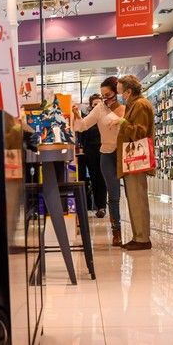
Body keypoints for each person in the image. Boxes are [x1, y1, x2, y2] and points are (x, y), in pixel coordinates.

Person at [72, 78, 125, 246]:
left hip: (127, 153)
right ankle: (116, 232)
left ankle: (139, 233)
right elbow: (82, 125)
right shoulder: (100, 108)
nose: (105, 99)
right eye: (103, 95)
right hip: (107, 154)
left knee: (132, 194)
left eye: (108, 95)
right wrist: (76, 115)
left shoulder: (128, 107)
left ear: (117, 92)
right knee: (113, 195)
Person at [114, 75, 154, 251]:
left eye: (121, 92)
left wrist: (123, 123)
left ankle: (143, 238)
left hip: (136, 161)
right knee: (134, 199)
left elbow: (140, 133)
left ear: (129, 91)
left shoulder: (140, 105)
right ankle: (138, 235)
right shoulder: (135, 105)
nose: (121, 96)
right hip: (131, 161)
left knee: (138, 198)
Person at [75, 95, 108, 217]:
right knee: (88, 179)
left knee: (100, 179)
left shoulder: (105, 118)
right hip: (88, 152)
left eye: (99, 104)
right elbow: (81, 132)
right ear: (90, 106)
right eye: (94, 104)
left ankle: (102, 206)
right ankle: (87, 205)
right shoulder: (87, 119)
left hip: (102, 151)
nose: (97, 107)